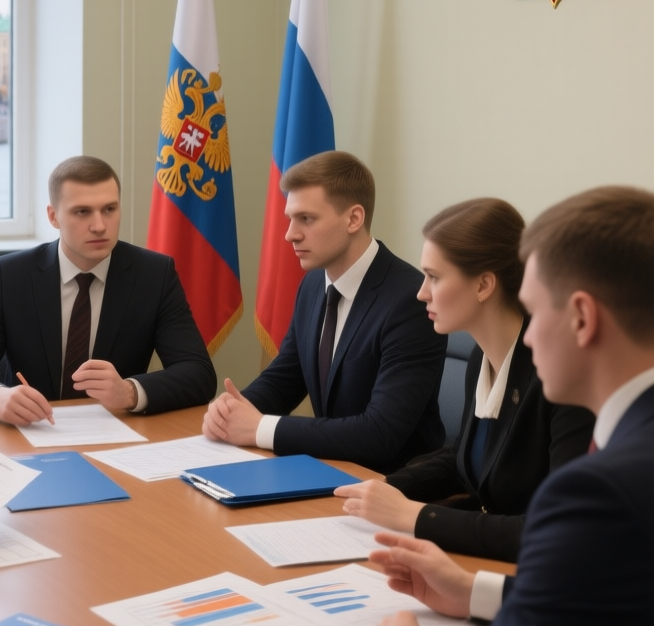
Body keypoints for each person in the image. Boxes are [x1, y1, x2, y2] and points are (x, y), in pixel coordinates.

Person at [371, 186, 654, 625]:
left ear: (582, 318)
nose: (529, 336)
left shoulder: (603, 486)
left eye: (537, 311)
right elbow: (593, 592)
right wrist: (474, 592)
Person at [334, 198, 593, 562]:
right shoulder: (480, 359)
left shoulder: (563, 380)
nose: (421, 292)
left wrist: (414, 515)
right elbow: (465, 459)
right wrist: (383, 487)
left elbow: (554, 531)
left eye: (434, 277)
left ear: (484, 284)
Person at [202, 151, 446, 473]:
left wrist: (260, 428)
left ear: (353, 219)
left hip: (390, 483)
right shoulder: (313, 284)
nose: (290, 233)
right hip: (329, 469)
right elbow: (285, 379)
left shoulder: (410, 300)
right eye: (290, 218)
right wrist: (231, 410)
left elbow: (379, 434)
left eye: (306, 219)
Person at [0, 155, 216, 425]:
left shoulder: (154, 275)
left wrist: (129, 392)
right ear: (53, 216)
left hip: (116, 434)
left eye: (109, 209)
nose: (99, 226)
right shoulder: (11, 275)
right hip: (31, 431)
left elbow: (199, 373)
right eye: (82, 212)